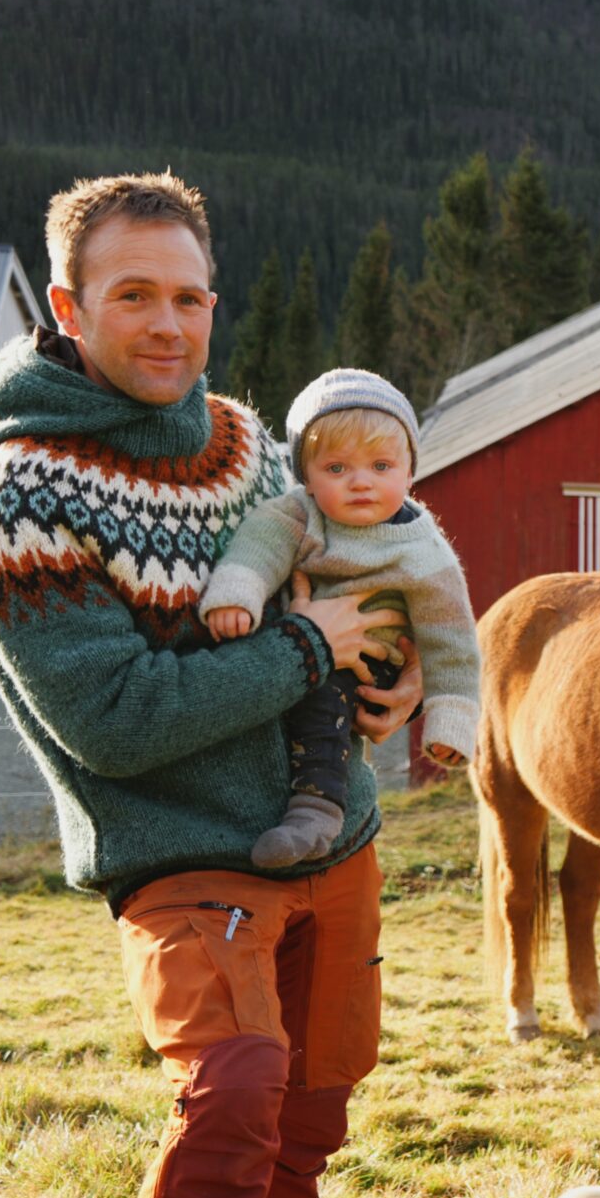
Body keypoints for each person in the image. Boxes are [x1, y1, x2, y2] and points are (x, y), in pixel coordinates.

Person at [0, 172, 420, 1198]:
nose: (169, 323)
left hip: (326, 829)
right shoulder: (21, 493)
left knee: (319, 1098)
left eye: (189, 294)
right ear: (67, 307)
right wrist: (306, 647)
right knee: (233, 1093)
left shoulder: (242, 441)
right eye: (134, 295)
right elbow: (120, 718)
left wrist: (381, 669)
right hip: (184, 854)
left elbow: (344, 590)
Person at [200, 368, 482, 867]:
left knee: (326, 702)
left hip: (372, 659)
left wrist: (451, 717)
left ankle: (316, 812)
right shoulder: (298, 514)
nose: (360, 483)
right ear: (306, 477)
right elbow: (259, 547)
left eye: (380, 466)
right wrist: (237, 594)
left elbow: (450, 637)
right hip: (296, 644)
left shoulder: (423, 549)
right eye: (336, 469)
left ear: (410, 473)